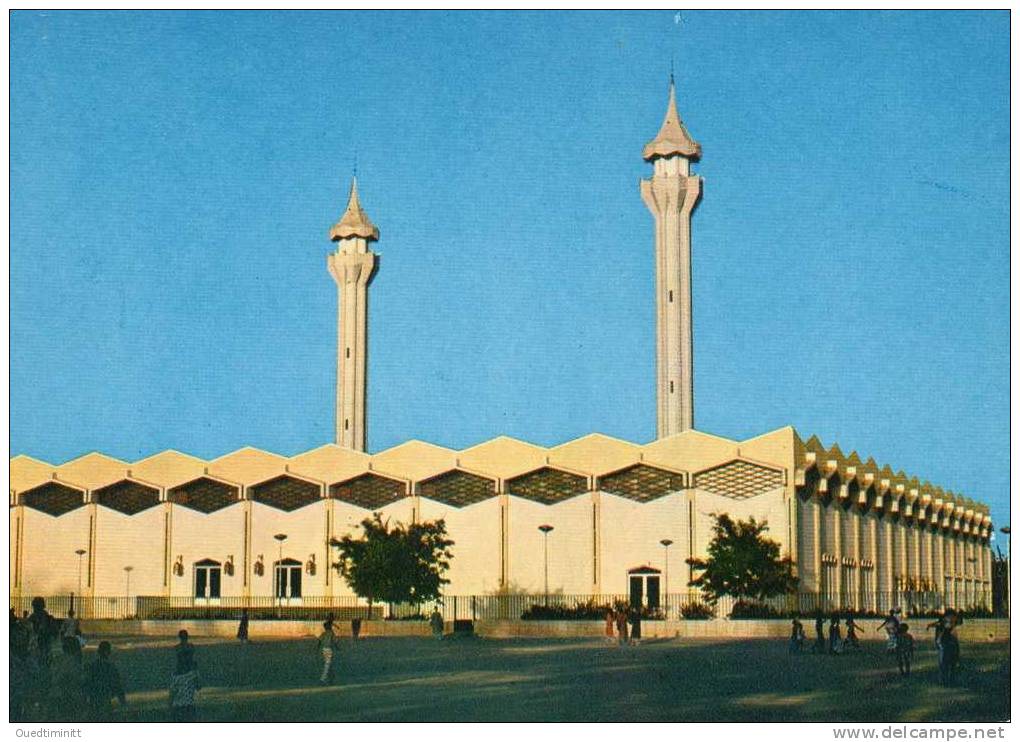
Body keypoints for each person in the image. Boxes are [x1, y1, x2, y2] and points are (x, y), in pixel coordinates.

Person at [84, 641, 126, 721]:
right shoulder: (111, 667)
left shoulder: (92, 666)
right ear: (109, 652)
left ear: (98, 652)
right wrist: (122, 701)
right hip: (105, 699)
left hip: (94, 700)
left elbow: (86, 683)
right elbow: (117, 685)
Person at [49, 636, 85, 721]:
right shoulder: (73, 662)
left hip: (55, 694)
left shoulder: (57, 659)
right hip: (68, 696)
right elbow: (71, 678)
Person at [169, 629, 199, 722]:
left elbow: (172, 693)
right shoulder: (191, 647)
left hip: (180, 672)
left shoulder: (177, 648)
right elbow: (198, 686)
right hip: (190, 704)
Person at [938, 614, 960, 687]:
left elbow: (939, 641)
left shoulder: (951, 631)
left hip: (949, 651)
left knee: (948, 666)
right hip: (948, 651)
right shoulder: (947, 631)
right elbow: (939, 641)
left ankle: (947, 680)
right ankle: (947, 680)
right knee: (947, 666)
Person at [317, 620, 339, 685]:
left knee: (328, 664)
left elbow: (319, 641)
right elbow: (335, 641)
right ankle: (323, 679)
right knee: (328, 665)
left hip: (324, 650)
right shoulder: (331, 633)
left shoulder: (324, 633)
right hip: (329, 649)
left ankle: (330, 679)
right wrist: (338, 648)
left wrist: (317, 648)